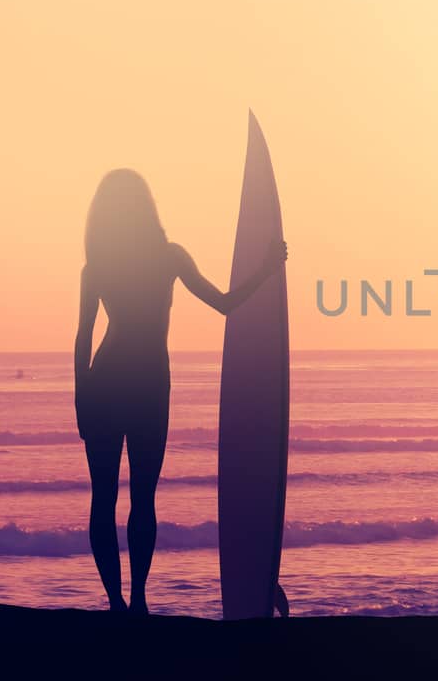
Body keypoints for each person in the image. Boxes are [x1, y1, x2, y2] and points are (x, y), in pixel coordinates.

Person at [74, 168, 283, 615]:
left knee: (105, 498)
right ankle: (136, 600)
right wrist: (266, 269)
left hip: (107, 382)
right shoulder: (167, 257)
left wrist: (80, 397)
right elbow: (225, 304)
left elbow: (83, 340)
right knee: (140, 498)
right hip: (149, 385)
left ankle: (118, 603)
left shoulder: (101, 267)